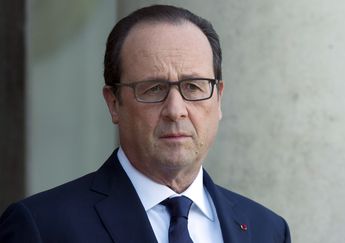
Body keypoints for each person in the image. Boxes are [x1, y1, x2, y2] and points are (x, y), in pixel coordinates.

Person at [0, 5, 290, 243]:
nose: (176, 111)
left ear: (219, 99)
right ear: (113, 103)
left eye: (193, 86)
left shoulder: (267, 230)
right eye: (153, 89)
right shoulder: (42, 227)